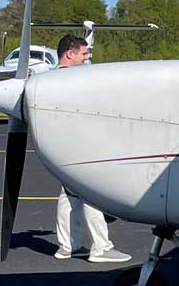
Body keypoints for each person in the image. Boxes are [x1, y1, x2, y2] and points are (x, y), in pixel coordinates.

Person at [51, 34, 131, 263]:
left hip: (63, 147)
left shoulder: (53, 80)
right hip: (80, 146)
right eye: (84, 54)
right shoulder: (71, 81)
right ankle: (101, 247)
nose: (87, 59)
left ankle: (68, 246)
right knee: (93, 193)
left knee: (69, 196)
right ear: (70, 54)